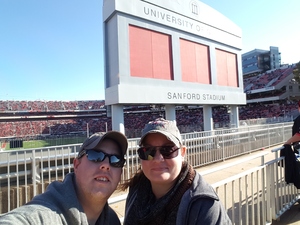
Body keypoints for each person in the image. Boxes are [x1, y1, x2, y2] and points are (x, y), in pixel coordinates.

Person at [0, 131, 128, 225]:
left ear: (120, 173)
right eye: (95, 156)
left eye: (115, 160)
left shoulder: (112, 220)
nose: (106, 165)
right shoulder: (44, 215)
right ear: (76, 165)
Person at [121, 118, 231, 225]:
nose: (158, 159)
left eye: (168, 150)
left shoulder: (204, 204)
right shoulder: (136, 189)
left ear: (183, 153)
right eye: (148, 152)